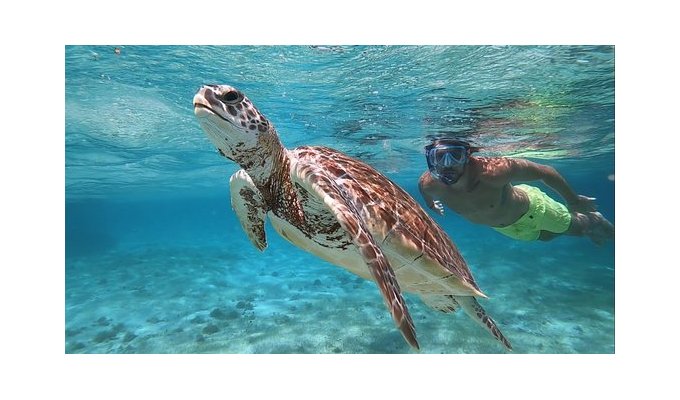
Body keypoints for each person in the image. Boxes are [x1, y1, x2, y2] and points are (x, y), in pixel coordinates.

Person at [418, 138, 614, 245]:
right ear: (430, 159)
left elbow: (546, 172)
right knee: (544, 237)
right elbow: (425, 193)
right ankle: (581, 223)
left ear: (468, 156)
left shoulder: (493, 173)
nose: (448, 165)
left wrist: (572, 201)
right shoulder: (428, 184)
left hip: (532, 211)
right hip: (504, 227)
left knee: (579, 229)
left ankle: (594, 220)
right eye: (440, 157)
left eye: (455, 156)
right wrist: (430, 204)